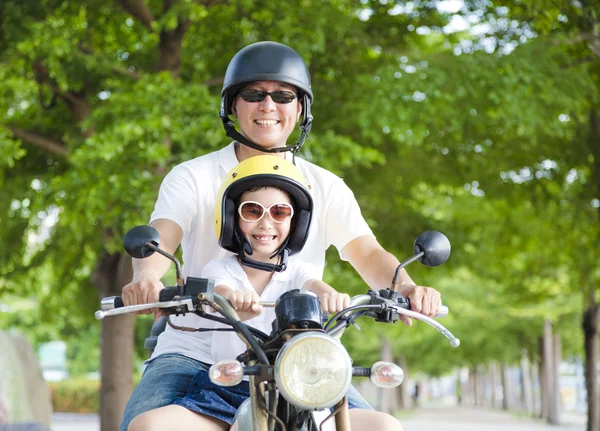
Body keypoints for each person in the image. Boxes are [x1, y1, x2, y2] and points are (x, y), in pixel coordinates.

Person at [121, 41, 442, 431]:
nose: (268, 106)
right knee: (146, 426)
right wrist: (146, 278)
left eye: (283, 95)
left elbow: (368, 253)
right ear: (232, 106)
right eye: (253, 94)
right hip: (197, 351)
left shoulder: (326, 186)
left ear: (300, 108)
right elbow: (162, 237)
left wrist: (406, 287)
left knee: (384, 427)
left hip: (301, 357)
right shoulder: (193, 176)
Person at [162, 155, 353, 428]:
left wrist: (330, 294)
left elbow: (313, 284)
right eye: (252, 211)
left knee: (384, 424)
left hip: (298, 386)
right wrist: (231, 298)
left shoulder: (297, 270)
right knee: (150, 424)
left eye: (279, 212)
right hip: (229, 385)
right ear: (231, 218)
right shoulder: (219, 268)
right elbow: (219, 289)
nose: (265, 223)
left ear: (295, 223)